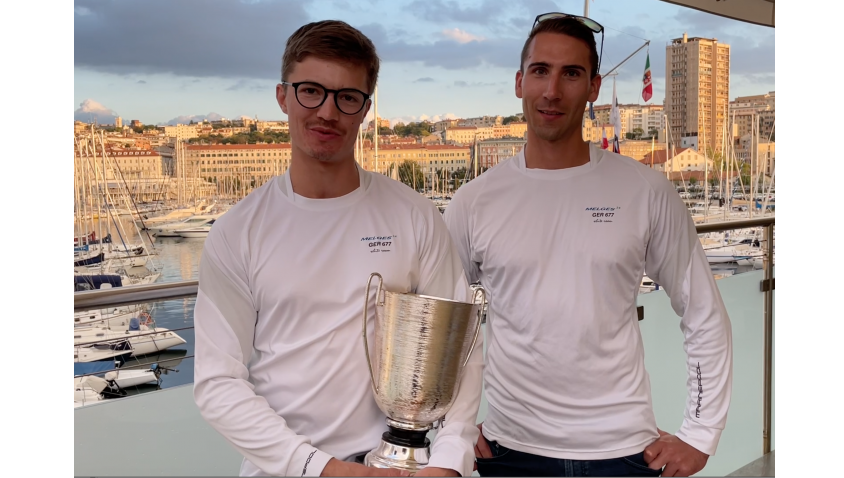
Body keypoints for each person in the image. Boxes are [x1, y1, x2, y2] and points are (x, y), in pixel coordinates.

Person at [443, 13, 733, 478]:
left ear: (594, 86)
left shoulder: (645, 191)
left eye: (571, 73)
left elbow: (703, 312)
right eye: (540, 71)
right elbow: (438, 320)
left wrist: (701, 434)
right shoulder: (475, 201)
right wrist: (448, 426)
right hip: (509, 452)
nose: (552, 91)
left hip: (624, 451)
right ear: (519, 82)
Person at [193, 20, 482, 478]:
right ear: (283, 96)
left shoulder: (413, 215)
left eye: (347, 97)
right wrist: (322, 468)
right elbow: (218, 383)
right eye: (311, 91)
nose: (328, 112)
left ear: (365, 109)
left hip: (403, 465)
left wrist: (448, 461)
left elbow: (462, 344)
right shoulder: (237, 231)